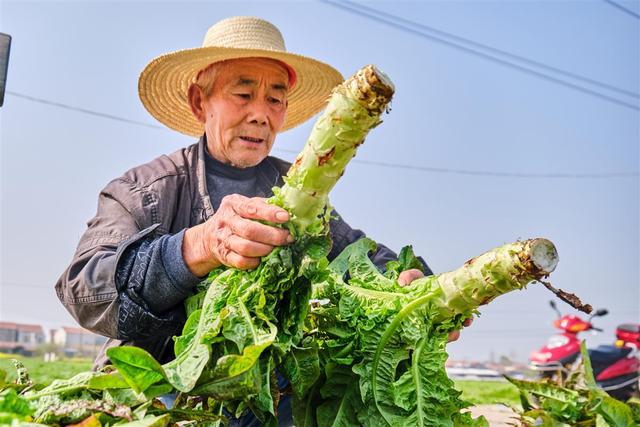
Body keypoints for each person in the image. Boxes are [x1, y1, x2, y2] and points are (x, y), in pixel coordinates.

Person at [55, 16, 466, 425]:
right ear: (201, 102)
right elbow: (84, 287)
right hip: (158, 394)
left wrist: (411, 283)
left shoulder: (299, 193)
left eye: (274, 98)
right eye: (243, 93)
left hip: (263, 401)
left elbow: (359, 255)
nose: (259, 114)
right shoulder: (146, 188)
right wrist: (199, 246)